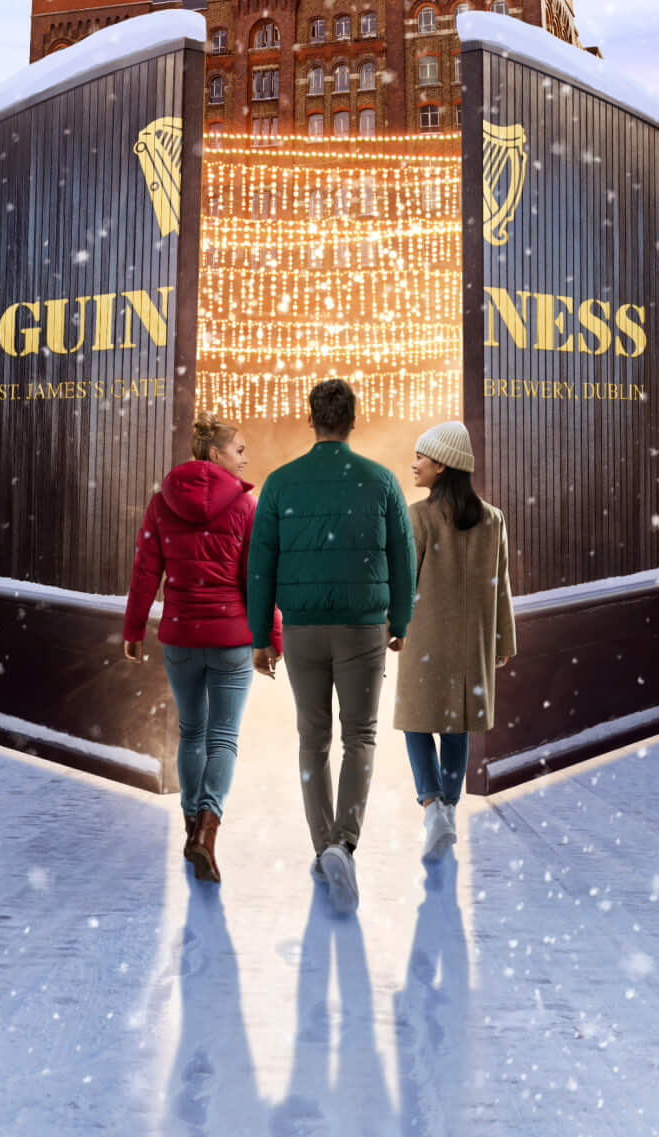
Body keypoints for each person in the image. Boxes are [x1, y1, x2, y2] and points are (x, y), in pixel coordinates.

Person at [246, 378, 415, 916]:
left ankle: (324, 848)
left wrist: (259, 636)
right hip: (364, 626)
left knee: (311, 740)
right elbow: (403, 557)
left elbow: (261, 565)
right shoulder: (383, 481)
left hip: (301, 630)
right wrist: (401, 620)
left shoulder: (279, 483)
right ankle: (346, 843)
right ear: (353, 421)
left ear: (311, 419)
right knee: (359, 736)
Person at [125, 413, 278, 884]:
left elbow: (146, 571)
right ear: (215, 454)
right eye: (239, 450)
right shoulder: (245, 507)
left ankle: (192, 824)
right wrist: (271, 638)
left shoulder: (161, 503)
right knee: (223, 737)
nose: (245, 459)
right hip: (231, 639)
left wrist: (133, 628)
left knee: (191, 732)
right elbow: (258, 580)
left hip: (181, 637)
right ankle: (208, 831)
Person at [393, 421, 516, 862]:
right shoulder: (493, 518)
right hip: (472, 643)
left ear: (442, 465)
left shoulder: (418, 516)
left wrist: (392, 628)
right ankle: (449, 804)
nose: (414, 464)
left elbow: (403, 584)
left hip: (424, 638)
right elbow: (501, 586)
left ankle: (433, 807)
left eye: (421, 457)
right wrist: (502, 641)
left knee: (416, 721)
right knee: (457, 723)